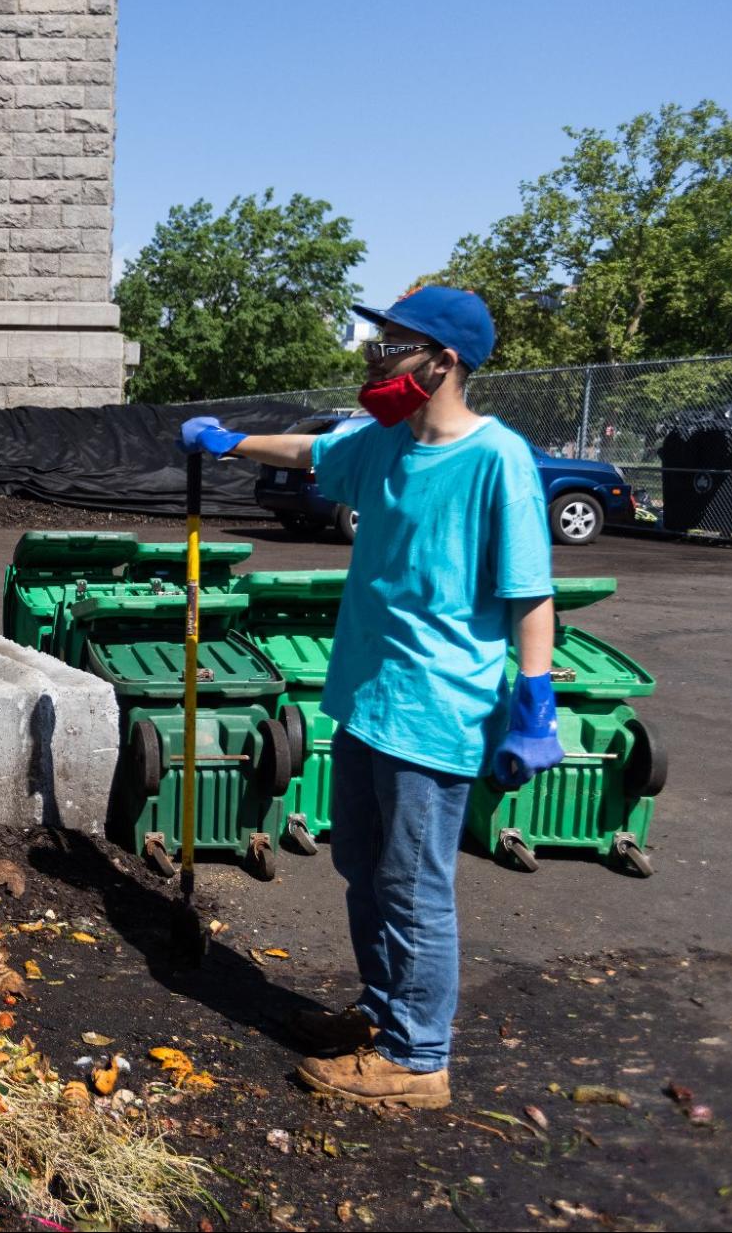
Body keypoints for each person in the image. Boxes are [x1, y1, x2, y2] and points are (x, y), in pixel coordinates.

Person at [179, 286, 561, 1109]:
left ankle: (419, 1060)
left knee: (414, 886)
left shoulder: (498, 459)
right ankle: (383, 1014)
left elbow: (530, 594)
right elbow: (311, 454)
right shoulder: (384, 441)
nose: (373, 355)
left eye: (392, 343)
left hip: (435, 708)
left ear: (444, 360)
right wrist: (227, 441)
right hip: (366, 698)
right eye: (377, 339)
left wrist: (536, 705)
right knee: (362, 868)